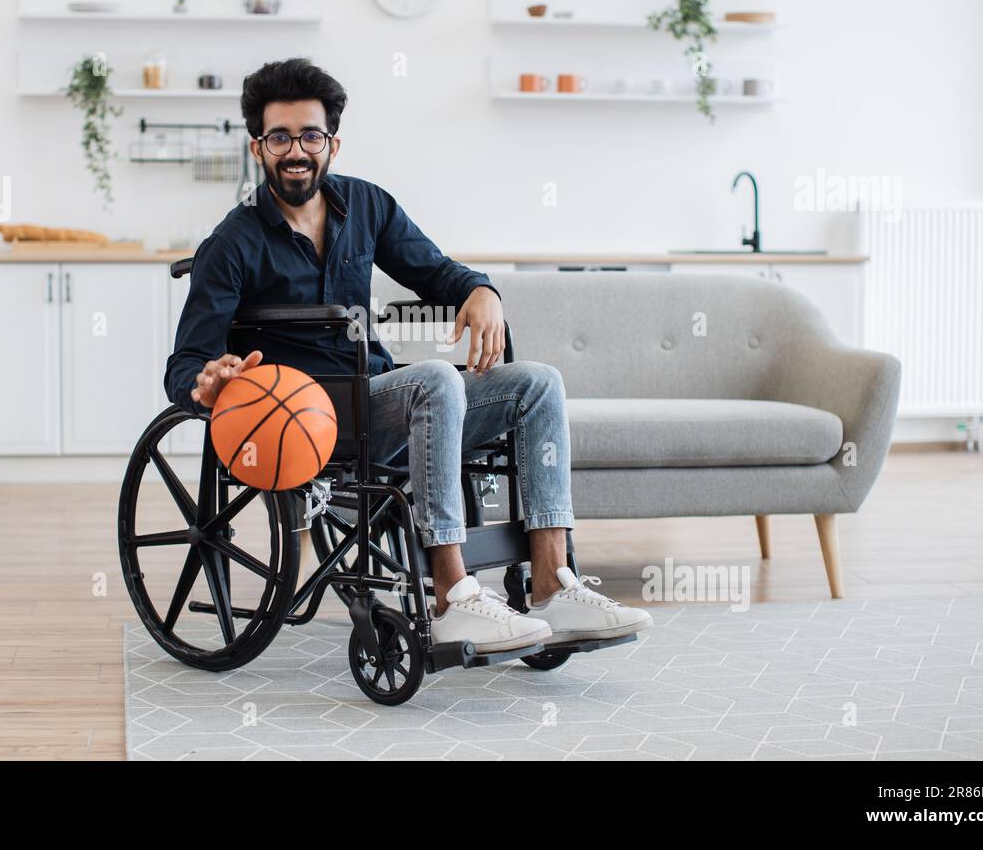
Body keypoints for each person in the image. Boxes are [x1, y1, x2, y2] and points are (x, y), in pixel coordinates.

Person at [164, 58, 651, 652]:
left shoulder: (367, 207)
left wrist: (481, 291)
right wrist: (207, 382)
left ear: (332, 144)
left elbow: (437, 271)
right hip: (304, 417)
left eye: (310, 136)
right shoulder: (231, 243)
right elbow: (185, 364)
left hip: (378, 400)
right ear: (258, 148)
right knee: (434, 382)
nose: (297, 150)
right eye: (280, 138)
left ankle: (552, 584)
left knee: (537, 383)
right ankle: (453, 598)